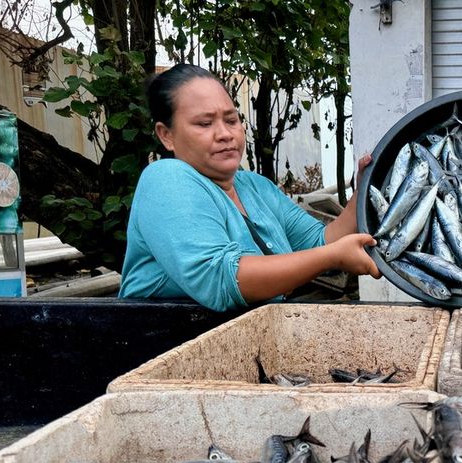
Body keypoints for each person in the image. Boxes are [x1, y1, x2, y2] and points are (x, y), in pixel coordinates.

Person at [119, 64, 381, 312]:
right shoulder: (166, 179)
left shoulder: (255, 187)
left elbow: (320, 242)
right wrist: (332, 257)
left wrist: (362, 193)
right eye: (204, 124)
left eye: (231, 120)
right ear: (167, 135)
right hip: (163, 348)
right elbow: (220, 279)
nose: (224, 134)